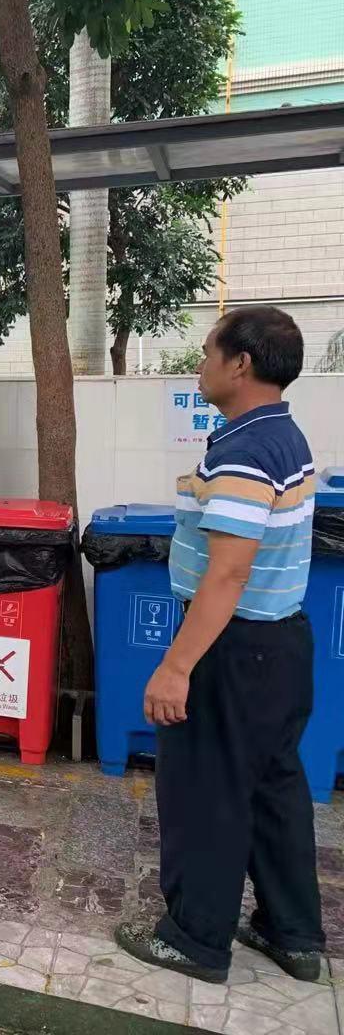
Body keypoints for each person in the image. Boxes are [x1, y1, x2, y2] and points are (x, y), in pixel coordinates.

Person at [115, 306, 323, 985]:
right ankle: (291, 934)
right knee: (272, 790)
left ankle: (195, 940)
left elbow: (228, 572)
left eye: (208, 352)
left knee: (206, 790)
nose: (200, 366)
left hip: (233, 649)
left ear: (242, 363)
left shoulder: (245, 450)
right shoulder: (282, 435)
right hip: (281, 643)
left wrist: (177, 665)